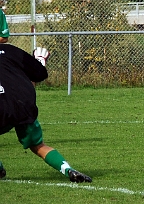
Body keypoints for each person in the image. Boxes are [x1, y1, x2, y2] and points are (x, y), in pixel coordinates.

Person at [0, 44, 92, 182]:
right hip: (23, 103)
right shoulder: (10, 50)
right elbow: (39, 74)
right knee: (38, 146)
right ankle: (69, 170)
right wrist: (40, 61)